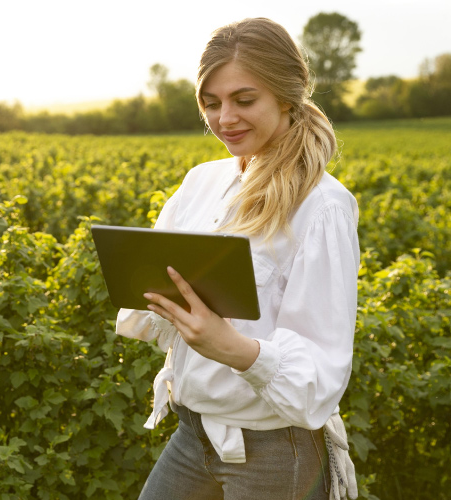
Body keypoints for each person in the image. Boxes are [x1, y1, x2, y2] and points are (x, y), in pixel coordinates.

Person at [115, 18, 360, 500]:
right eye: (212, 103)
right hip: (193, 433)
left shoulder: (322, 206)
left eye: (244, 100)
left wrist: (233, 347)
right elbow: (153, 301)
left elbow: (322, 373)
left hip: (276, 450)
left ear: (287, 96)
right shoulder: (201, 182)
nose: (225, 118)